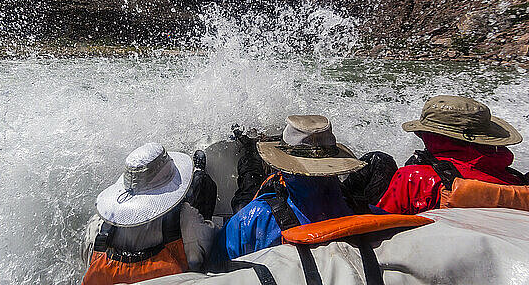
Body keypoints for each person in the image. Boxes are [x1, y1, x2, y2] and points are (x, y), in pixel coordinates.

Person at [211, 115, 366, 261]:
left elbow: (217, 266)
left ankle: (250, 150)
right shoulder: (366, 213)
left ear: (284, 167)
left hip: (258, 219)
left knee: (247, 188)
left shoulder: (253, 219)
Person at [81, 143, 217, 285]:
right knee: (201, 186)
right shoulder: (184, 217)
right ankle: (199, 175)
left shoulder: (98, 225)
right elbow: (198, 259)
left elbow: (88, 260)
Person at [378, 95, 525, 215]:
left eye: (422, 133)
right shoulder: (516, 180)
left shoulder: (414, 178)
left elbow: (380, 225)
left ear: (434, 137)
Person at [184, 150, 218, 220]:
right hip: (206, 222)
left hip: (193, 222)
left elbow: (190, 203)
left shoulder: (194, 179)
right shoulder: (213, 183)